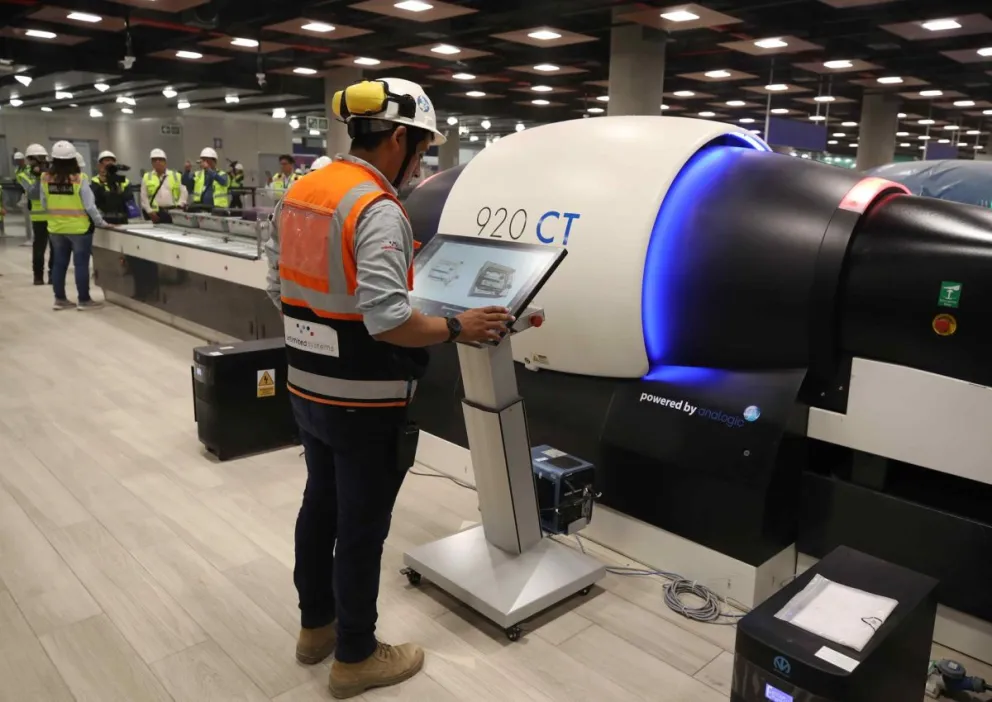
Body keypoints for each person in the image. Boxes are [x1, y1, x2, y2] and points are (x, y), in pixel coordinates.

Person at [264, 77, 512, 699]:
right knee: (362, 526)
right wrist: (457, 325)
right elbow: (388, 320)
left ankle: (315, 629)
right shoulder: (375, 208)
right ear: (398, 137)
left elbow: (277, 285)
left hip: (307, 386)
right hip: (364, 398)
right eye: (423, 148)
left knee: (319, 505)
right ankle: (355, 656)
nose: (421, 161)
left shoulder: (302, 192)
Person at [40, 141, 113, 311]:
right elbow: (90, 206)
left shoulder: (45, 178)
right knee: (81, 265)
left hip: (56, 228)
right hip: (79, 229)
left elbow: (44, 203)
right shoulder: (80, 179)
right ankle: (84, 300)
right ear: (73, 159)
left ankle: (60, 299)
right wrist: (101, 222)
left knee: (59, 264)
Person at [17, 143, 52, 284]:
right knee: (39, 248)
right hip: (38, 217)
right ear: (29, 160)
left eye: (42, 158)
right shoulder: (24, 175)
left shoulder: (50, 172)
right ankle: (38, 276)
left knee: (56, 248)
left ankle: (53, 275)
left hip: (54, 216)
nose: (40, 161)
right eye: (37, 158)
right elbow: (33, 194)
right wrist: (39, 178)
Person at [141, 148, 186, 223]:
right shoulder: (147, 177)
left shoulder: (176, 175)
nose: (157, 162)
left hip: (173, 212)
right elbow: (144, 196)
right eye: (154, 160)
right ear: (151, 162)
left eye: (160, 159)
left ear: (165, 161)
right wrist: (149, 211)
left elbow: (184, 192)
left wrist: (180, 206)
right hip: (155, 213)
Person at [91, 150, 132, 225]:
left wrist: (119, 190)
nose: (110, 163)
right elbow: (95, 201)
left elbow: (129, 199)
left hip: (122, 218)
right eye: (107, 160)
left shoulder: (124, 181)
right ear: (99, 165)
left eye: (112, 161)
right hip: (104, 220)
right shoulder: (95, 181)